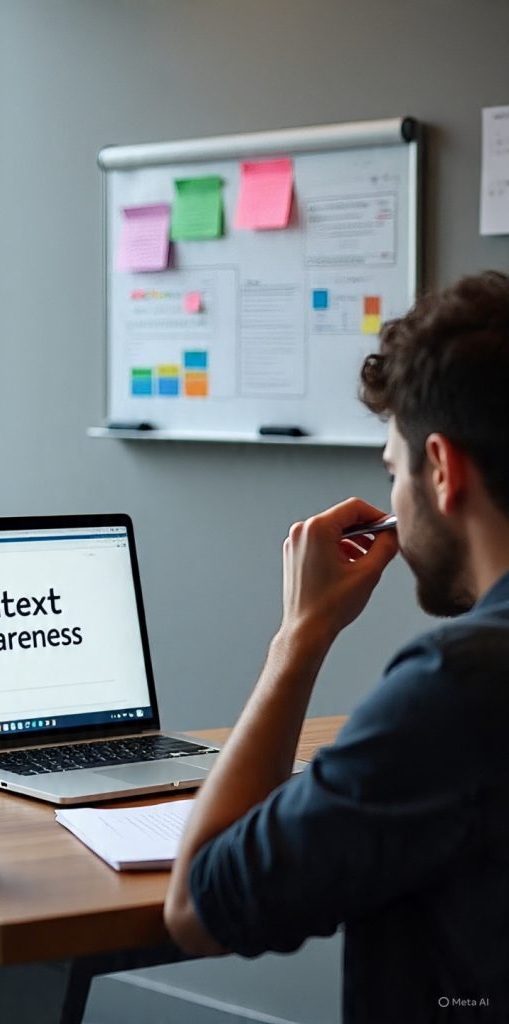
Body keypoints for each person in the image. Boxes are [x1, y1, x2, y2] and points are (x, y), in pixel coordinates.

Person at [164, 270, 509, 1023]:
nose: (393, 502)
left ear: (442, 469)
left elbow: (198, 906)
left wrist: (299, 636)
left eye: (392, 471)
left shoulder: (456, 688)